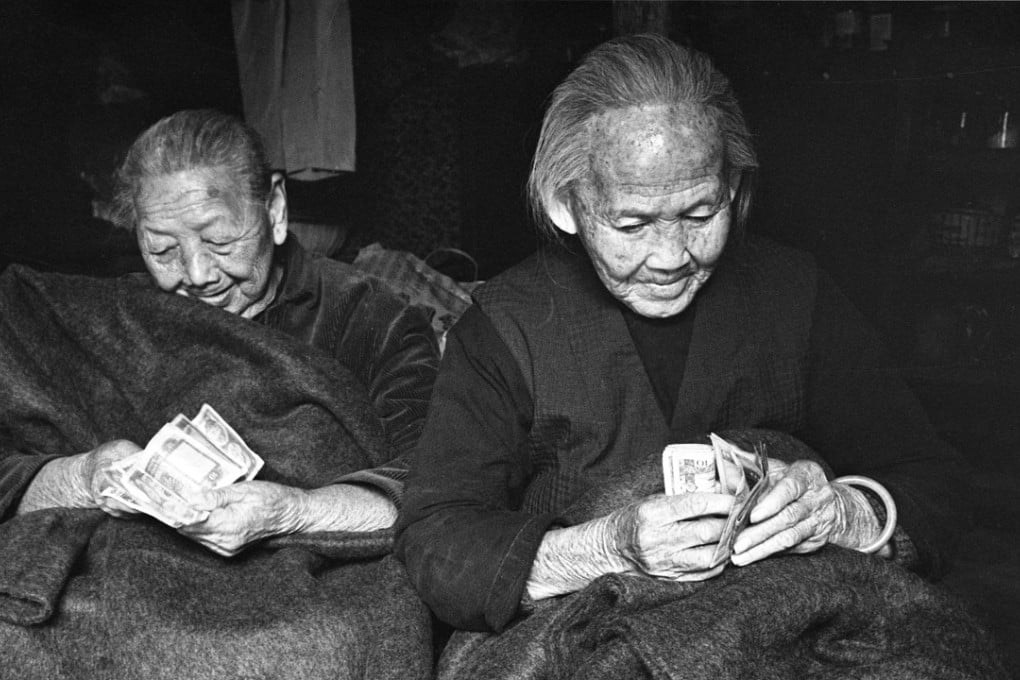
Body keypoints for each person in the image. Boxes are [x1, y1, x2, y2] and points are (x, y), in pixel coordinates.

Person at [394, 33, 971, 637]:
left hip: (788, 628)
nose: (671, 257)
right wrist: (605, 548)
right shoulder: (503, 327)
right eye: (632, 222)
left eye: (701, 214)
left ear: (734, 191)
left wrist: (844, 515)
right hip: (588, 640)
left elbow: (937, 483)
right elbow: (435, 540)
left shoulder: (795, 295)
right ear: (566, 203)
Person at [11, 109, 440, 557]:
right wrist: (83, 477)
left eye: (219, 241)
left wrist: (293, 512)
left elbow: (434, 487)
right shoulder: (115, 317)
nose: (196, 274)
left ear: (274, 209)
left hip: (314, 580)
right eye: (162, 249)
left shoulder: (370, 318)